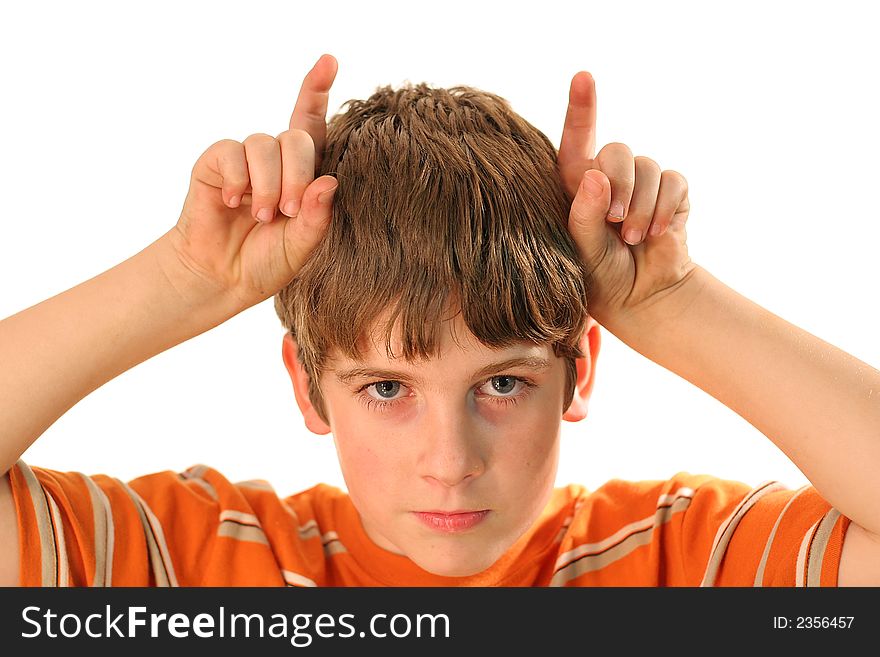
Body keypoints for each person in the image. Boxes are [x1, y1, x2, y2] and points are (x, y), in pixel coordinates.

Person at [0, 53, 877, 587]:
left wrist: (673, 304)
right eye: (387, 387)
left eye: (502, 381)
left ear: (582, 369)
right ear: (307, 386)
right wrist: (183, 278)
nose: (450, 462)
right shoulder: (201, 567)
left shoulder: (686, 562)